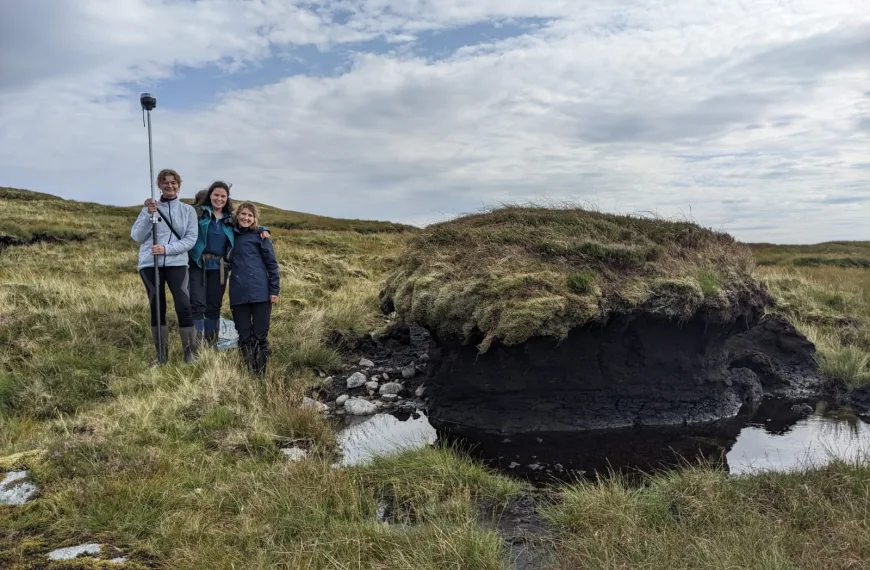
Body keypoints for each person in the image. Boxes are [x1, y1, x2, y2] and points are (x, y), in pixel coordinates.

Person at [187, 181, 270, 346]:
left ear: (227, 199)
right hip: (198, 265)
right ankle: (194, 347)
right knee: (197, 304)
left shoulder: (230, 219)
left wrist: (264, 229)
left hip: (220, 268)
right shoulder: (198, 213)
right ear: (210, 195)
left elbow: (248, 224)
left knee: (214, 306)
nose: (219, 199)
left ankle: (210, 344)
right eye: (216, 195)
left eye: (223, 196)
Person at [130, 168, 199, 364]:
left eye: (173, 182)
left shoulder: (188, 211)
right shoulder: (149, 208)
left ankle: (190, 355)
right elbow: (137, 236)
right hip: (150, 264)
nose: (169, 185)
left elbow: (191, 239)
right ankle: (161, 357)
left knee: (184, 305)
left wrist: (166, 249)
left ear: (179, 185)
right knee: (157, 306)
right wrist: (147, 215)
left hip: (177, 262)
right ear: (159, 185)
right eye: (165, 182)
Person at [228, 202, 279, 377]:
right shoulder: (230, 234)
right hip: (238, 294)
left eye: (250, 215)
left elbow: (272, 265)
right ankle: (250, 374)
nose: (246, 218)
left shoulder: (261, 237)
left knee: (260, 337)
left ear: (255, 219)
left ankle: (260, 376)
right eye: (243, 214)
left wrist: (274, 291)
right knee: (244, 337)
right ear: (237, 215)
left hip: (261, 294)